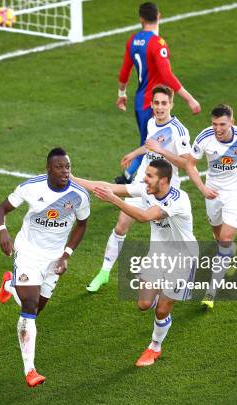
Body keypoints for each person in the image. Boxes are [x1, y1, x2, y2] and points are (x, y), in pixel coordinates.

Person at [74, 159, 198, 367]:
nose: (144, 179)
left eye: (150, 176)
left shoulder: (177, 199)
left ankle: (154, 347)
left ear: (164, 181)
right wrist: (71, 178)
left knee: (161, 310)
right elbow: (108, 187)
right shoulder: (147, 190)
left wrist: (115, 200)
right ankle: (165, 296)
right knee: (144, 305)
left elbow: (144, 217)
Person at [0, 147, 90, 387]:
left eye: (67, 167)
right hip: (27, 252)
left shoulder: (79, 195)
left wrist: (66, 254)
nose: (65, 171)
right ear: (48, 169)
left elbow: (82, 224)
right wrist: (3, 232)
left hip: (54, 259)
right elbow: (0, 210)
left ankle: (9, 283)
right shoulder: (31, 187)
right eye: (59, 167)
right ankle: (30, 370)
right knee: (30, 304)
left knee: (36, 311)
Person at [86, 85, 191, 292]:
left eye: (164, 103)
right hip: (143, 183)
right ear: (151, 104)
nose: (160, 107)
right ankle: (104, 272)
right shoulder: (152, 121)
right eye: (156, 103)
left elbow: (186, 163)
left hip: (164, 192)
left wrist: (162, 151)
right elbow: (150, 145)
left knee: (169, 239)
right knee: (121, 224)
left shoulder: (179, 131)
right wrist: (135, 153)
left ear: (171, 104)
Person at [185, 105, 237, 309]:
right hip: (213, 192)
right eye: (214, 124)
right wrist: (203, 189)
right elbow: (190, 164)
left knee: (226, 239)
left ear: (232, 122)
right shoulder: (204, 137)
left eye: (222, 124)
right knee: (218, 236)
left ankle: (211, 292)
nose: (218, 129)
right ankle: (226, 253)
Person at [115, 1, 200, 184]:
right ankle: (134, 178)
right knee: (153, 143)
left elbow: (124, 72)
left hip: (140, 102)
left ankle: (131, 176)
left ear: (141, 19)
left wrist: (122, 94)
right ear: (159, 16)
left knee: (149, 141)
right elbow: (166, 75)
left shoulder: (133, 40)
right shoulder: (157, 43)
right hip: (153, 103)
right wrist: (189, 99)